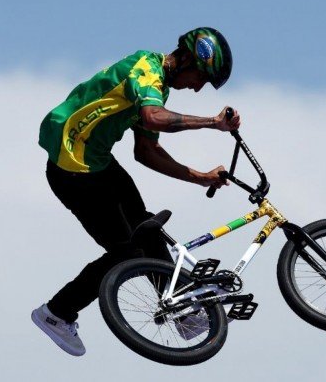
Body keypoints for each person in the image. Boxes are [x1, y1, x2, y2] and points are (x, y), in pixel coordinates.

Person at [31, 27, 241, 356]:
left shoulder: (157, 88)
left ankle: (183, 312)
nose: (198, 88)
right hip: (73, 170)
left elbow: (146, 150)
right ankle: (56, 313)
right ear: (184, 57)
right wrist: (212, 123)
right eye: (200, 77)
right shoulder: (146, 69)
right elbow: (153, 118)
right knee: (126, 255)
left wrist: (200, 177)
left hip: (97, 163)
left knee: (148, 229)